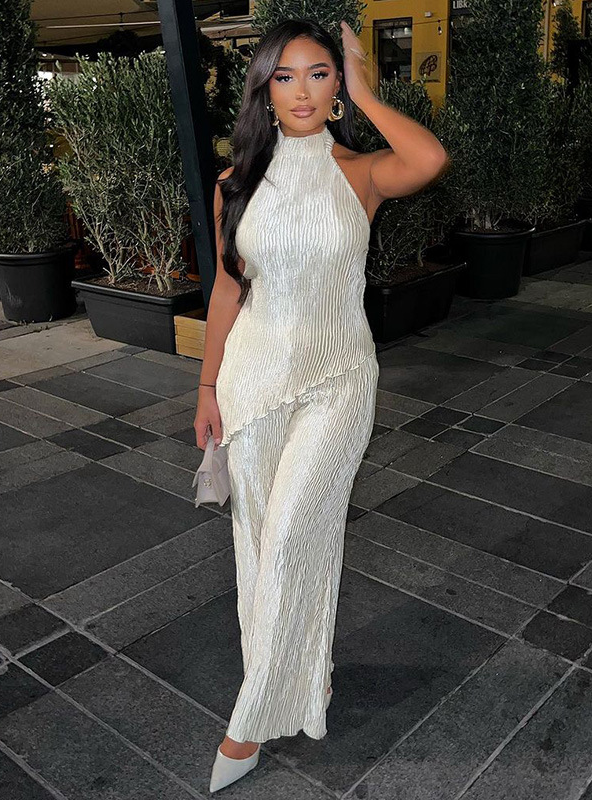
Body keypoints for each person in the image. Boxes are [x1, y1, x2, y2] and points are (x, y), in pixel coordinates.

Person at [194, 17, 449, 793]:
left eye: (319, 73)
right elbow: (227, 291)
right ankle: (307, 676)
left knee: (293, 538)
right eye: (285, 75)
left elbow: (429, 158)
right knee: (260, 549)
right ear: (264, 89)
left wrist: (367, 91)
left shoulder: (360, 172)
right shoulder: (234, 183)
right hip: (252, 382)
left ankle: (248, 722)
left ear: (337, 86)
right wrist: (205, 387)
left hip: (338, 382)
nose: (302, 91)